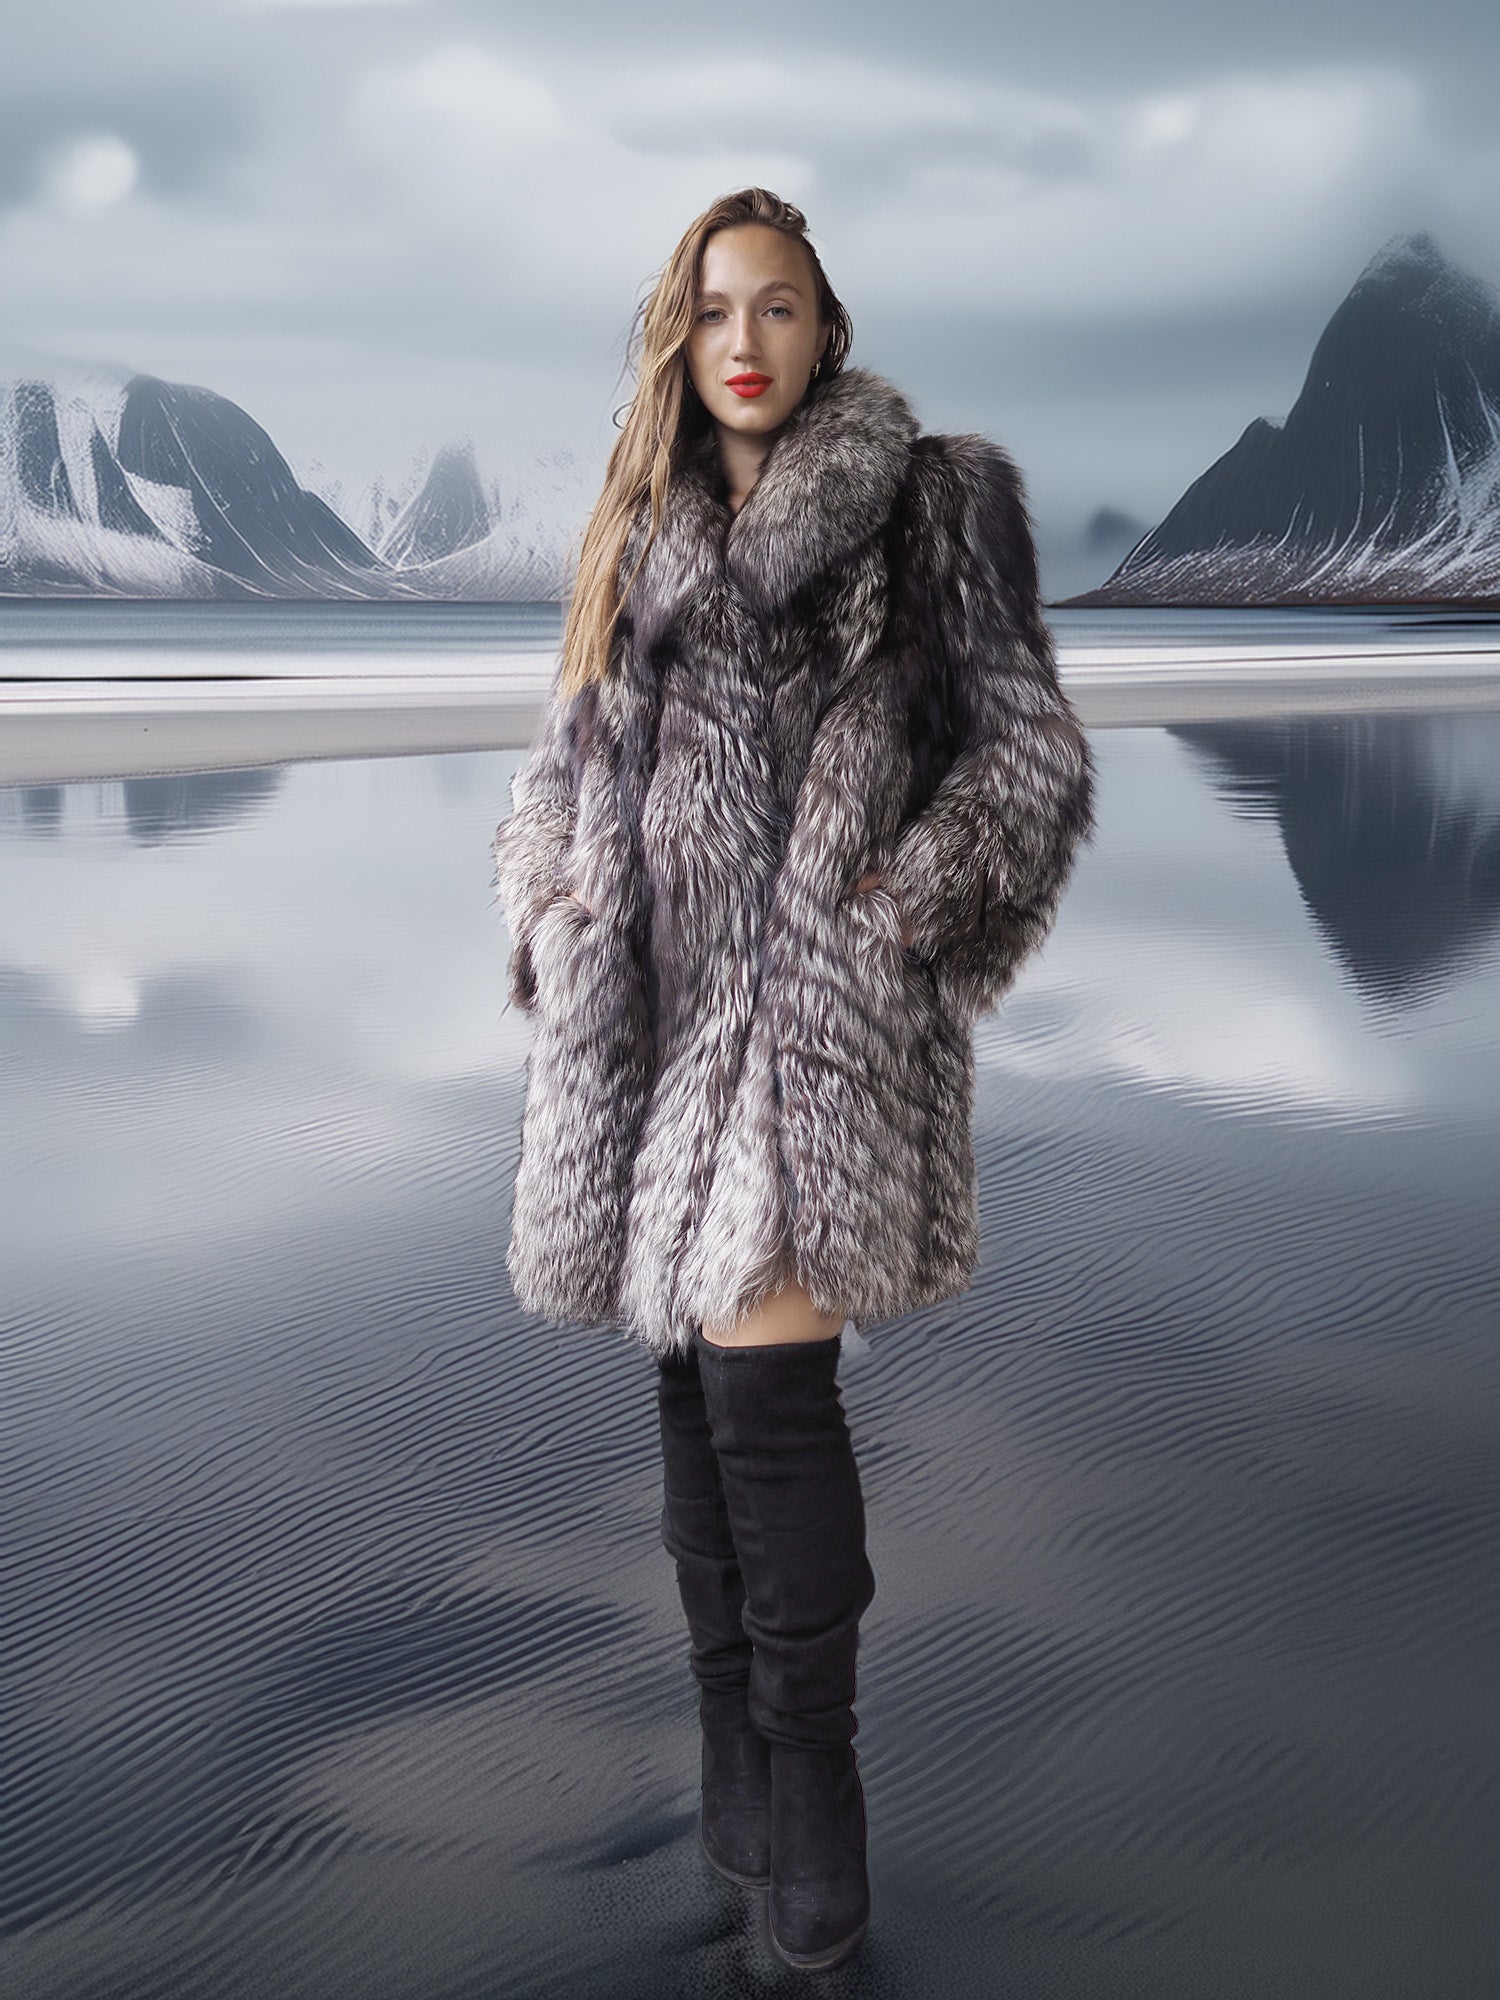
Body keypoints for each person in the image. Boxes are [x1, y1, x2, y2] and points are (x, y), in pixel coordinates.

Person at [491, 187, 1097, 1973]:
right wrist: (556, 913)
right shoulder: (640, 532)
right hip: (655, 1043)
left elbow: (1032, 759)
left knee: (768, 1428)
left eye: (776, 307)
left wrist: (897, 912)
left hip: (809, 1044)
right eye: (709, 311)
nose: (741, 340)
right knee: (696, 1461)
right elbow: (553, 770)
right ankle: (739, 1847)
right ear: (677, 342)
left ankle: (813, 1862)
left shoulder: (935, 501)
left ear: (828, 329)